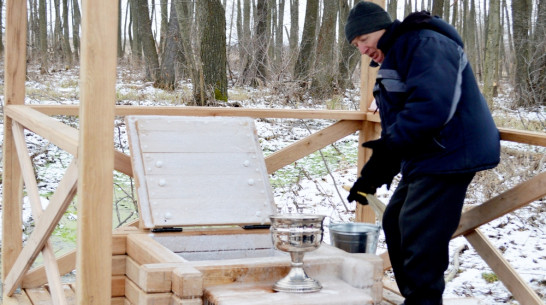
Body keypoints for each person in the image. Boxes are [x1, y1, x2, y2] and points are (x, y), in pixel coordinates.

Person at [344, 2, 501, 305]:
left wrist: (383, 157)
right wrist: (375, 174)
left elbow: (430, 108)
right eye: (356, 45)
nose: (362, 49)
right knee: (395, 222)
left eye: (364, 39)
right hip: (429, 154)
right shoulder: (400, 54)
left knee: (419, 232)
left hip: (452, 152)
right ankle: (416, 298)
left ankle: (423, 301)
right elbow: (405, 120)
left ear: (382, 27)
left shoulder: (425, 43)